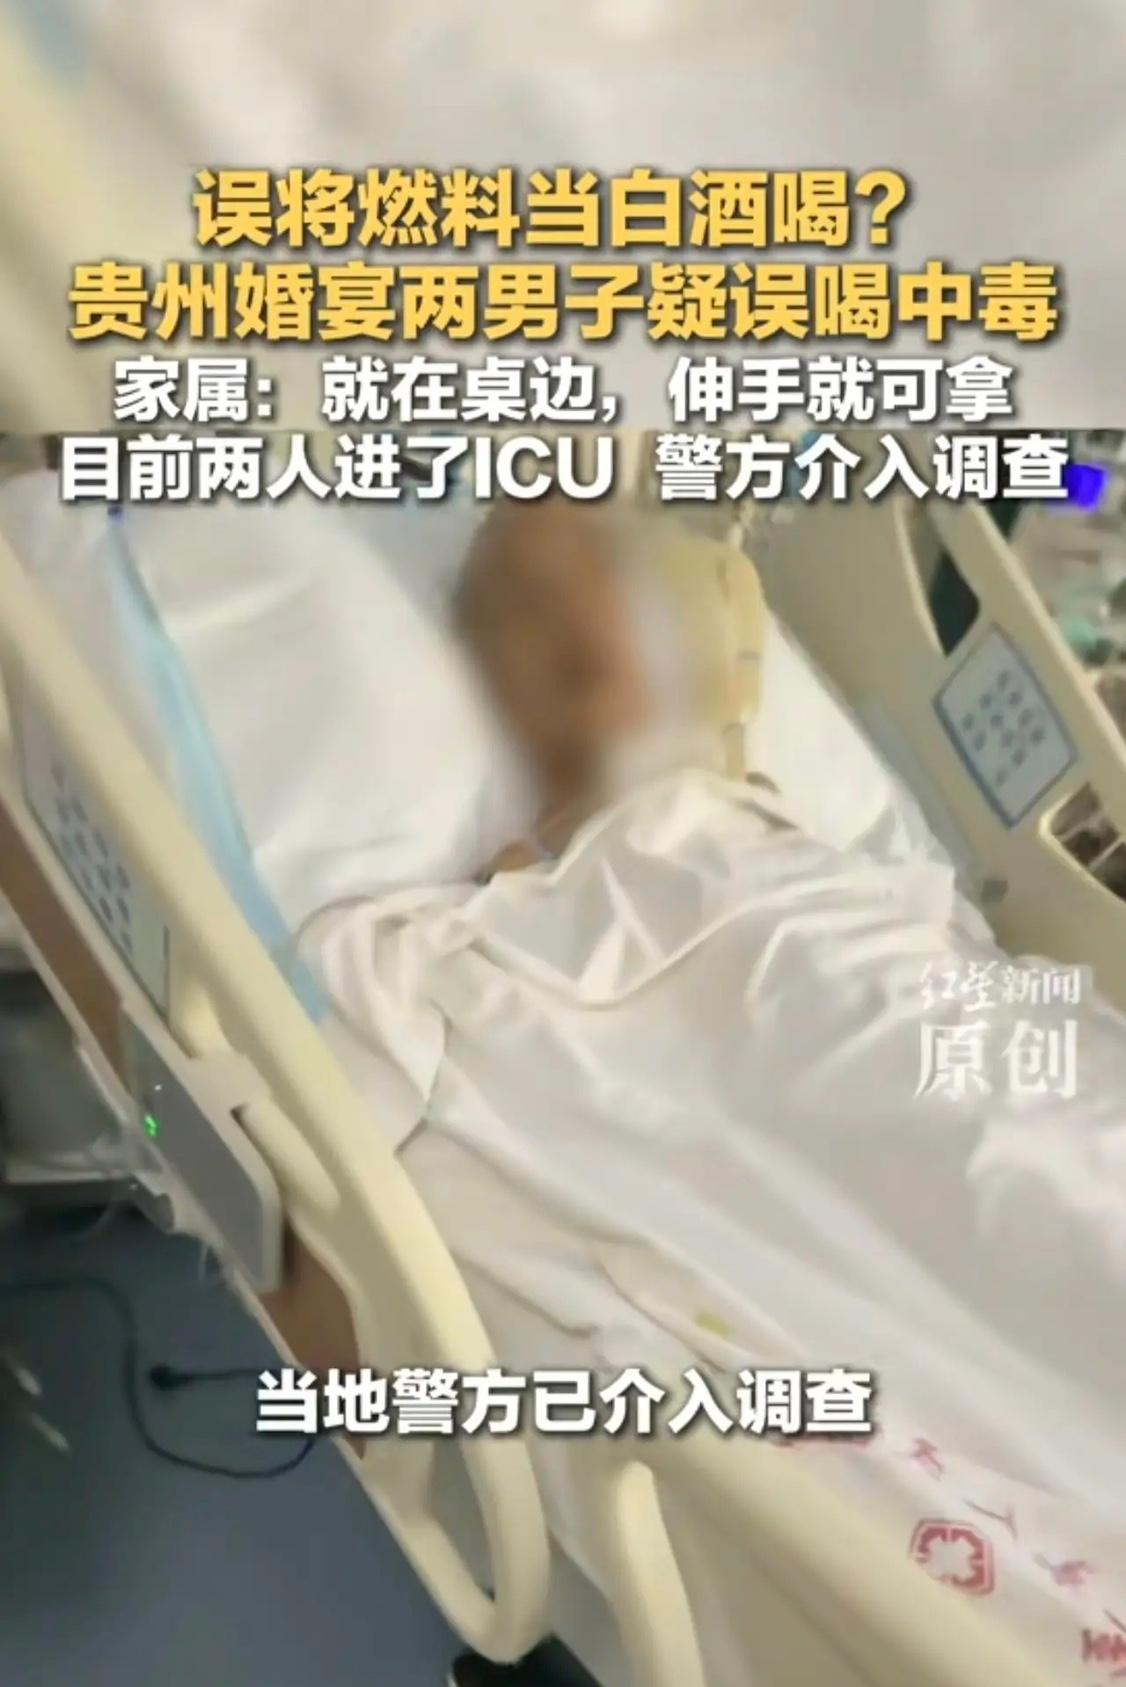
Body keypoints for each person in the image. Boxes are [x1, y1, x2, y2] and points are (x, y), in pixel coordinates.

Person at [456, 497, 660, 876]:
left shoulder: (735, 814)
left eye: (593, 572)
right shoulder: (515, 888)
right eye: (534, 599)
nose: (579, 614)